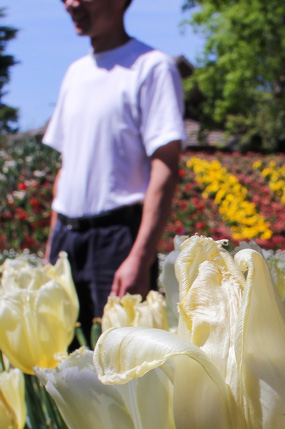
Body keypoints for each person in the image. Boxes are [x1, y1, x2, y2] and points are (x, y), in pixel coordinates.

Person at [44, 0, 185, 342]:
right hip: (67, 237)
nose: (71, 4)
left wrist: (141, 254)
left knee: (121, 361)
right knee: (67, 363)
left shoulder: (152, 68)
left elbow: (165, 163)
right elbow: (66, 168)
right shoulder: (75, 73)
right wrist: (51, 251)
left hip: (118, 240)